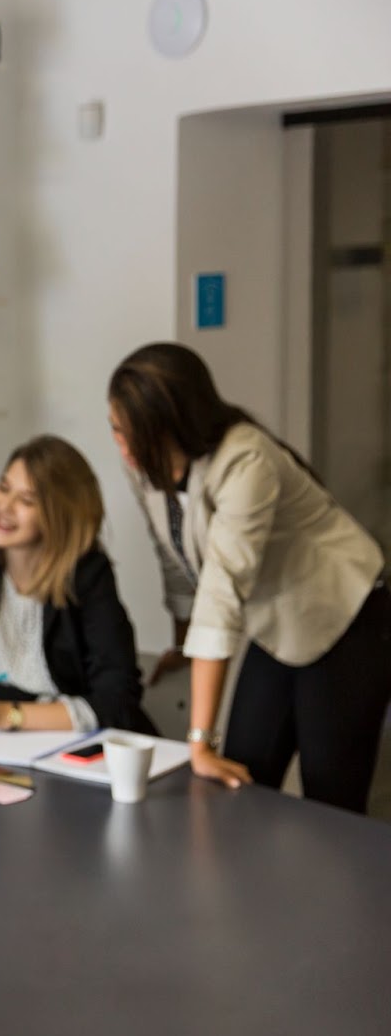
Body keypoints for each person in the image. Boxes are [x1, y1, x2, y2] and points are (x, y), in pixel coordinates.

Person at [108, 341, 391, 812]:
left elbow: (221, 592)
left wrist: (198, 741)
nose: (122, 446)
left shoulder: (246, 461)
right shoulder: (146, 464)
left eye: (131, 433)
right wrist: (182, 644)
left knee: (331, 801)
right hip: (277, 622)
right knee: (240, 773)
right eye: (116, 429)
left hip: (348, 617)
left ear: (173, 424)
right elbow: (174, 553)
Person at [0, 435, 156, 734]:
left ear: (59, 516)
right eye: (4, 488)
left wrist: (7, 714)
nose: (5, 506)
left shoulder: (88, 576)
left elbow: (117, 700)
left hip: (91, 749)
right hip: (4, 748)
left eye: (26, 500)